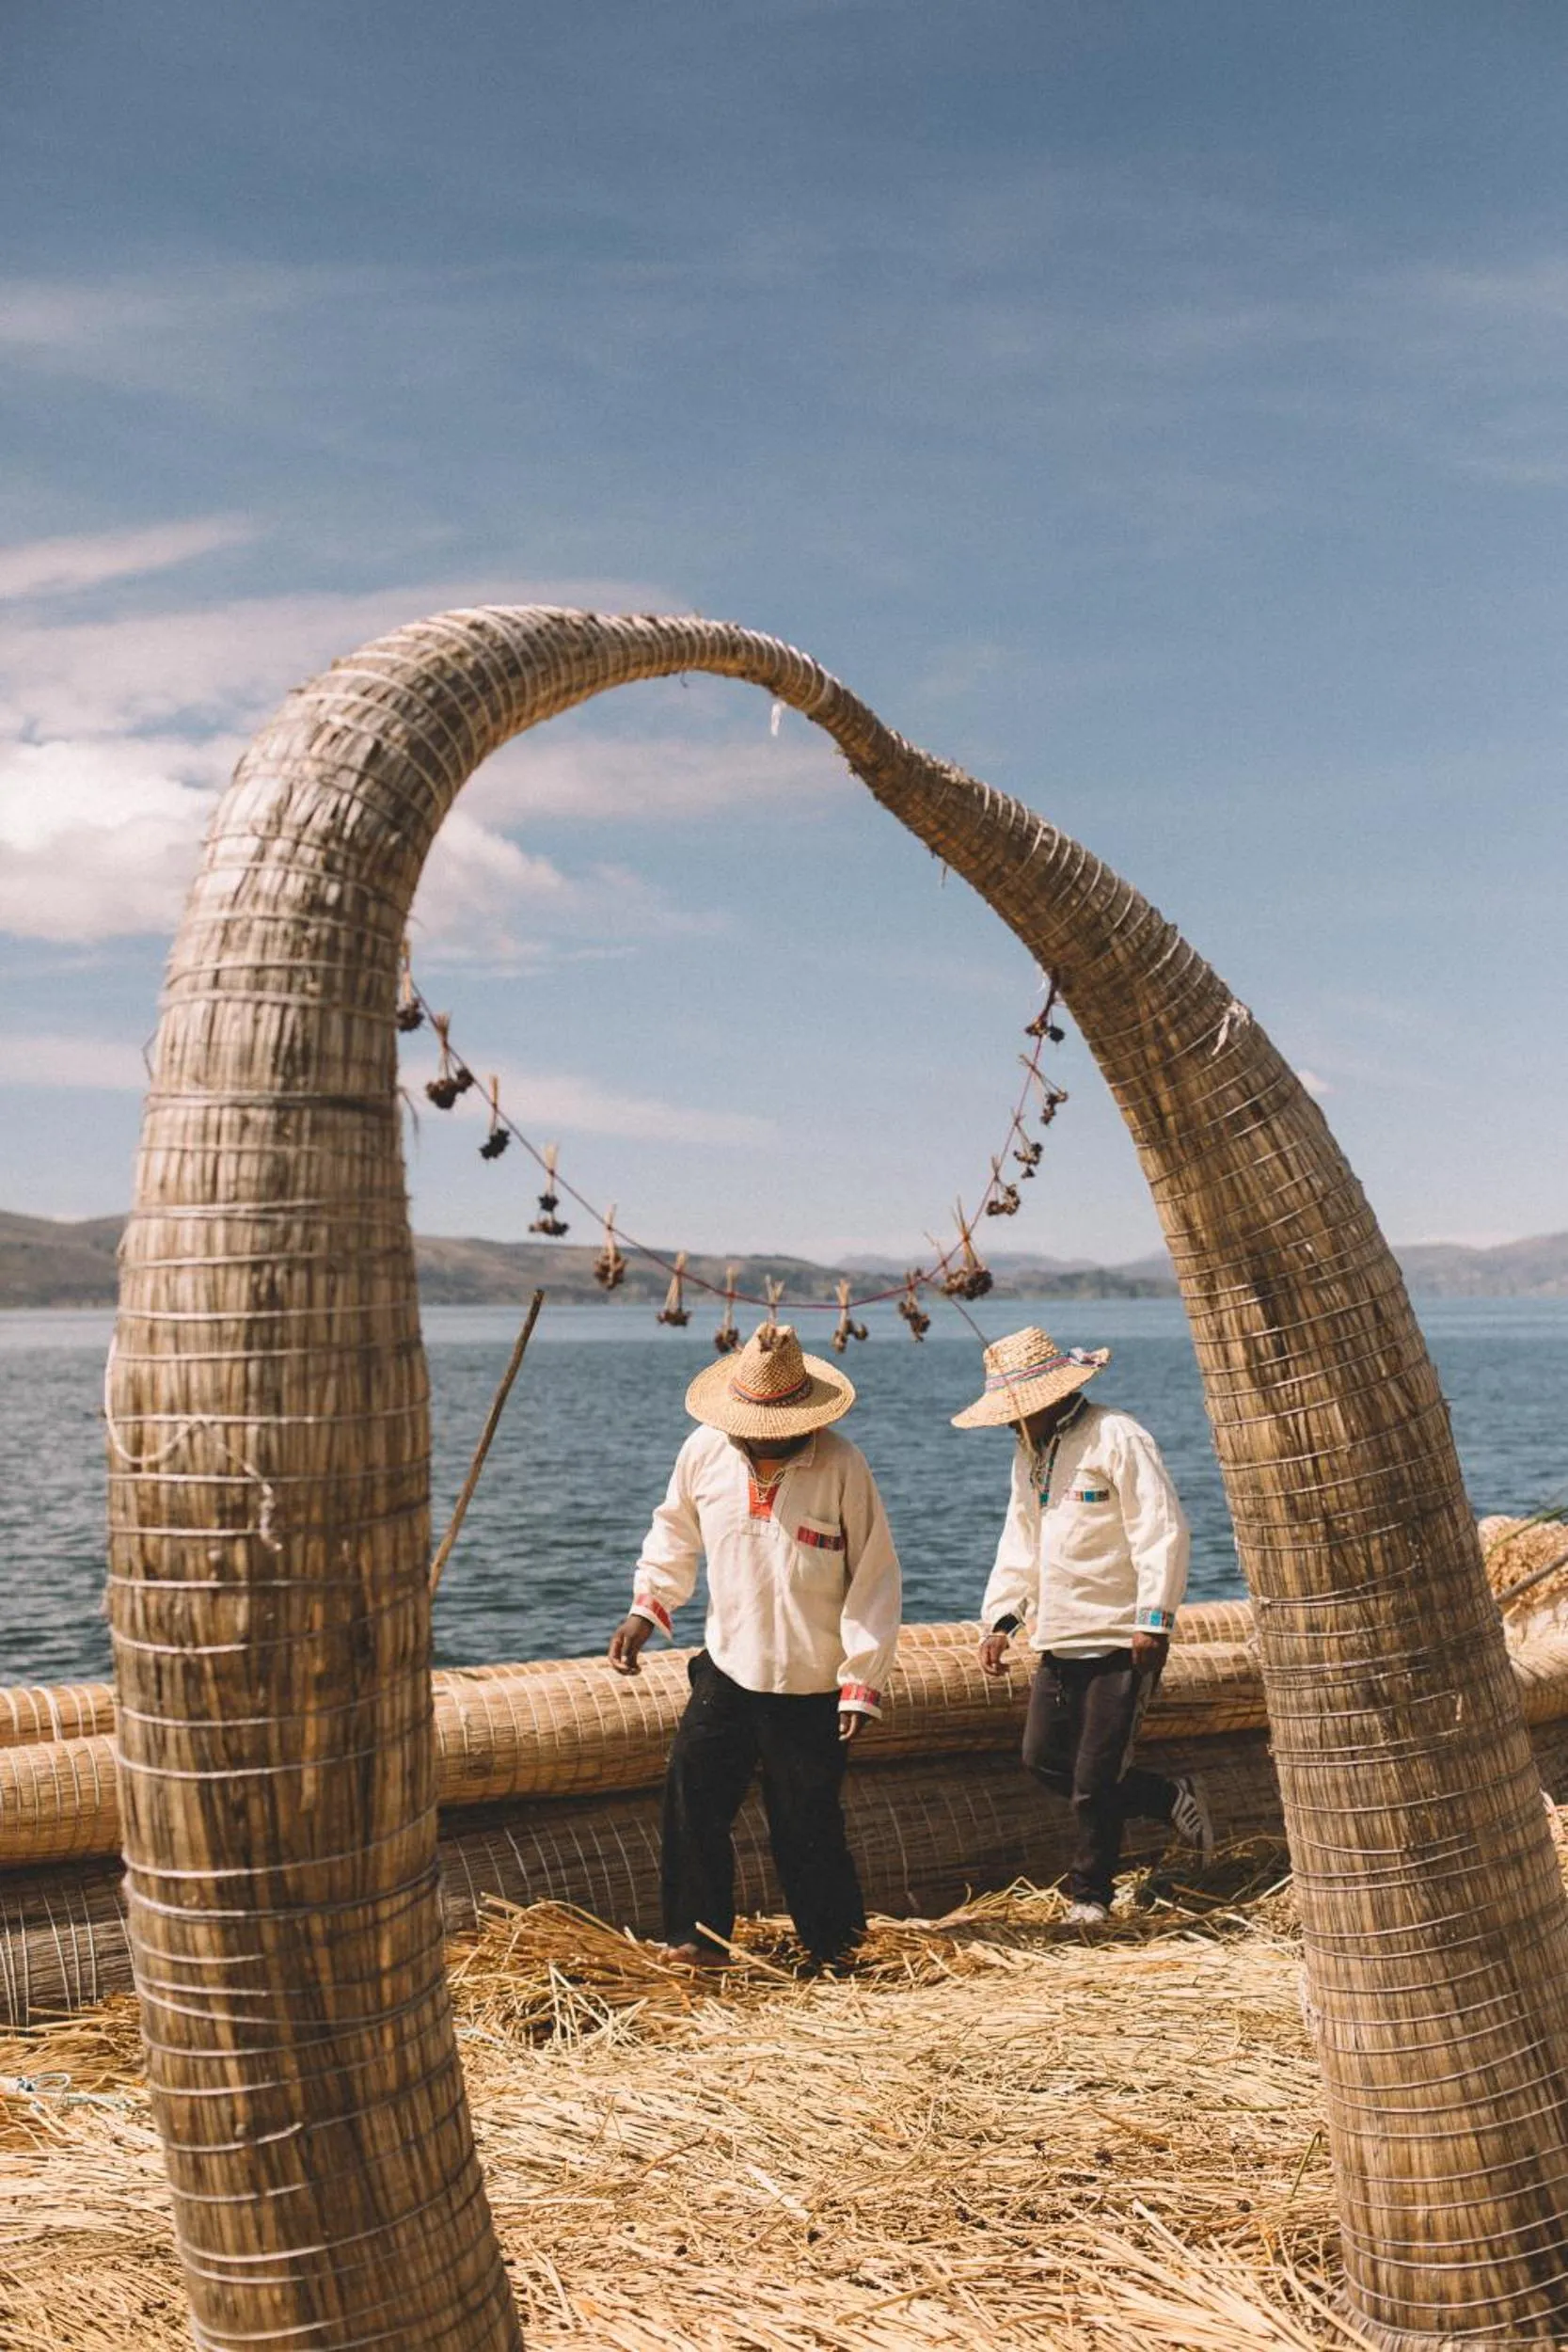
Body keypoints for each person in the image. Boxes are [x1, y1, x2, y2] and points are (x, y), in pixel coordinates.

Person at [609, 1321, 901, 1969]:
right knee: (692, 1801)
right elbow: (674, 1532)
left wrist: (861, 1678)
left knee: (807, 1823)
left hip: (812, 1681)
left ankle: (834, 1948)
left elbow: (875, 1577)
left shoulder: (841, 1466)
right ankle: (697, 1939)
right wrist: (644, 1608)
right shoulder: (704, 1452)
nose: (761, 1437)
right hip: (728, 1666)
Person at [956, 1325, 1212, 1925]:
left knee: (1096, 1780)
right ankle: (1168, 1797)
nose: (1007, 1423)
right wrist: (1000, 1620)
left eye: (1015, 1411)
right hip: (1058, 1637)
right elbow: (1020, 1540)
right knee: (1043, 1760)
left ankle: (1089, 1897)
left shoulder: (1116, 1436)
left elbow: (1161, 1526)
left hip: (1122, 1638)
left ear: (1050, 1397)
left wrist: (1155, 1618)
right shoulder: (1028, 1456)